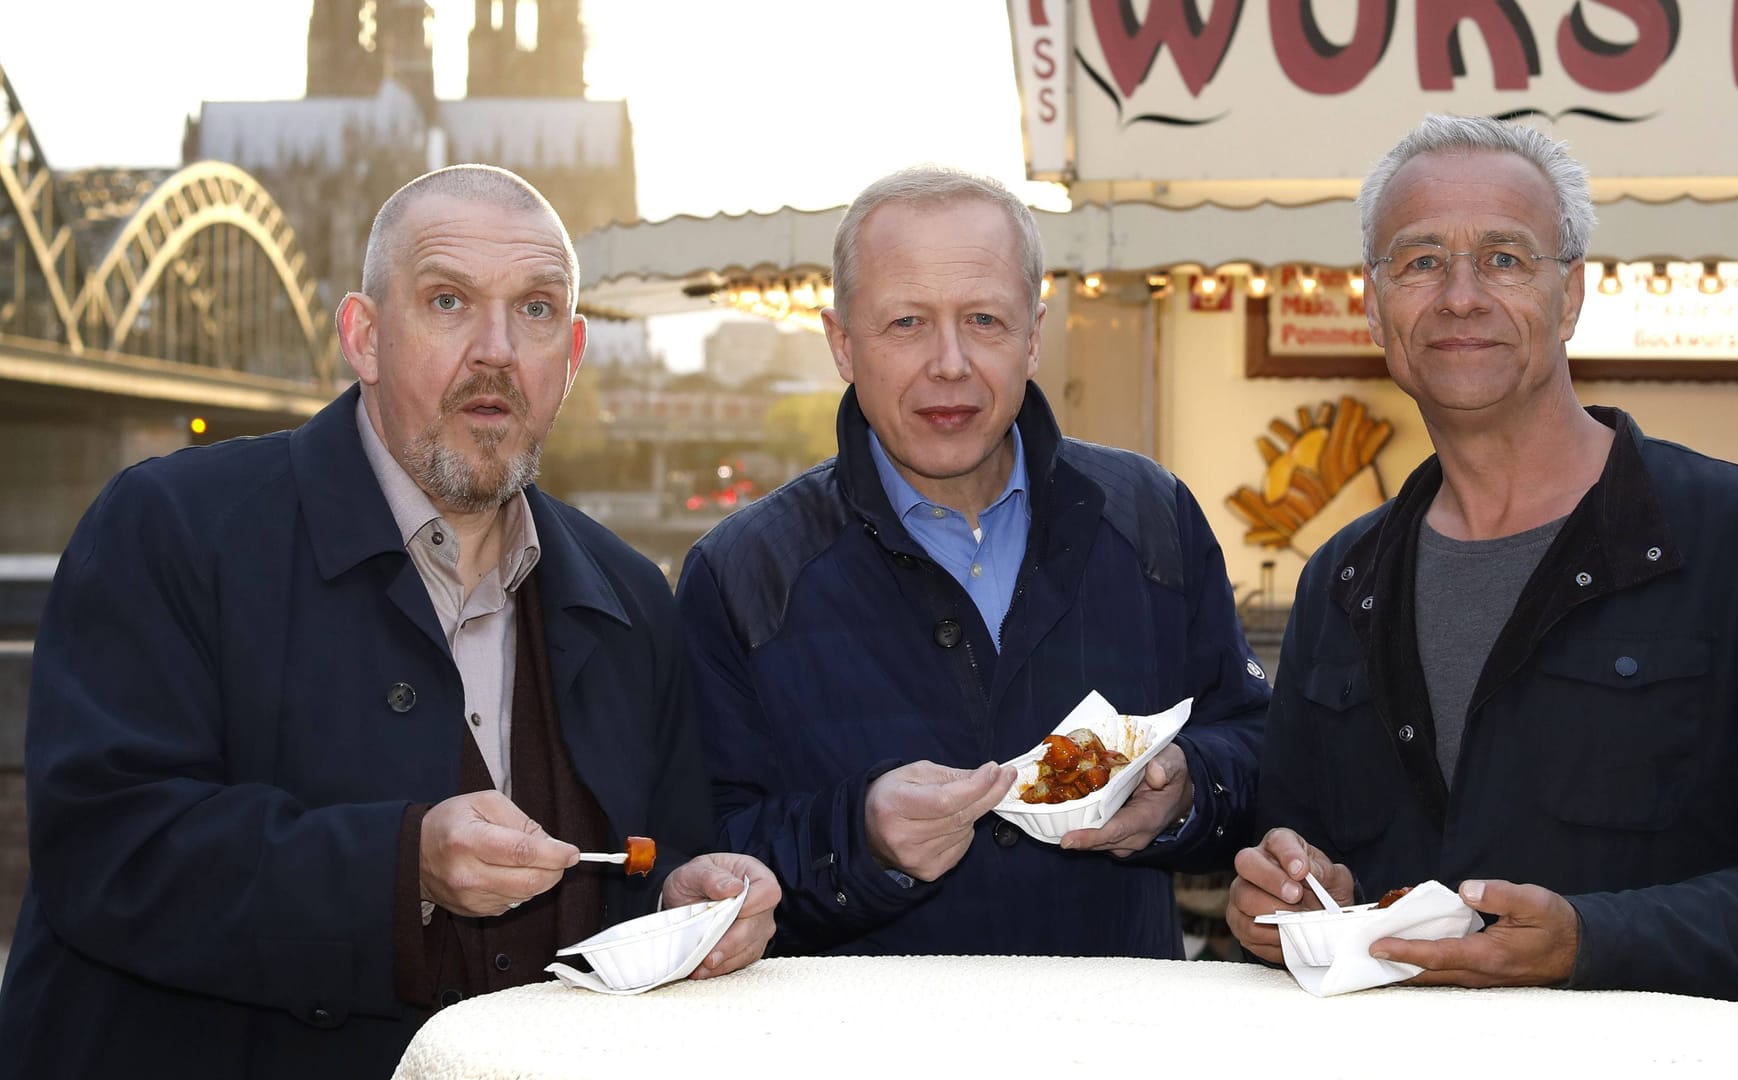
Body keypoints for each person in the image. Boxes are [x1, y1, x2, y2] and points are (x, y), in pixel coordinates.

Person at [0, 165, 778, 1079]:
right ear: (363, 338)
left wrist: (684, 905)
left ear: (568, 357)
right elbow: (107, 848)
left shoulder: (631, 596)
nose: (495, 349)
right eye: (449, 301)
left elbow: (653, 858)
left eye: (533, 311)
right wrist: (400, 868)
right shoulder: (171, 528)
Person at [1226, 115, 1738, 1003]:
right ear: (1372, 300)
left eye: (1505, 258)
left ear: (1572, 295)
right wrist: (1281, 896)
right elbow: (1299, 849)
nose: (1460, 296)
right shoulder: (1342, 580)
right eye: (1420, 260)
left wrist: (1593, 942)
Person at [674, 166, 1268, 957]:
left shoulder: (1149, 514)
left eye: (983, 320)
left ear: (1032, 336)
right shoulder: (741, 572)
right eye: (907, 323)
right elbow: (696, 850)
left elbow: (1258, 747)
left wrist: (1188, 790)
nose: (949, 363)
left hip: (1117, 1043)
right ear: (843, 344)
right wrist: (861, 838)